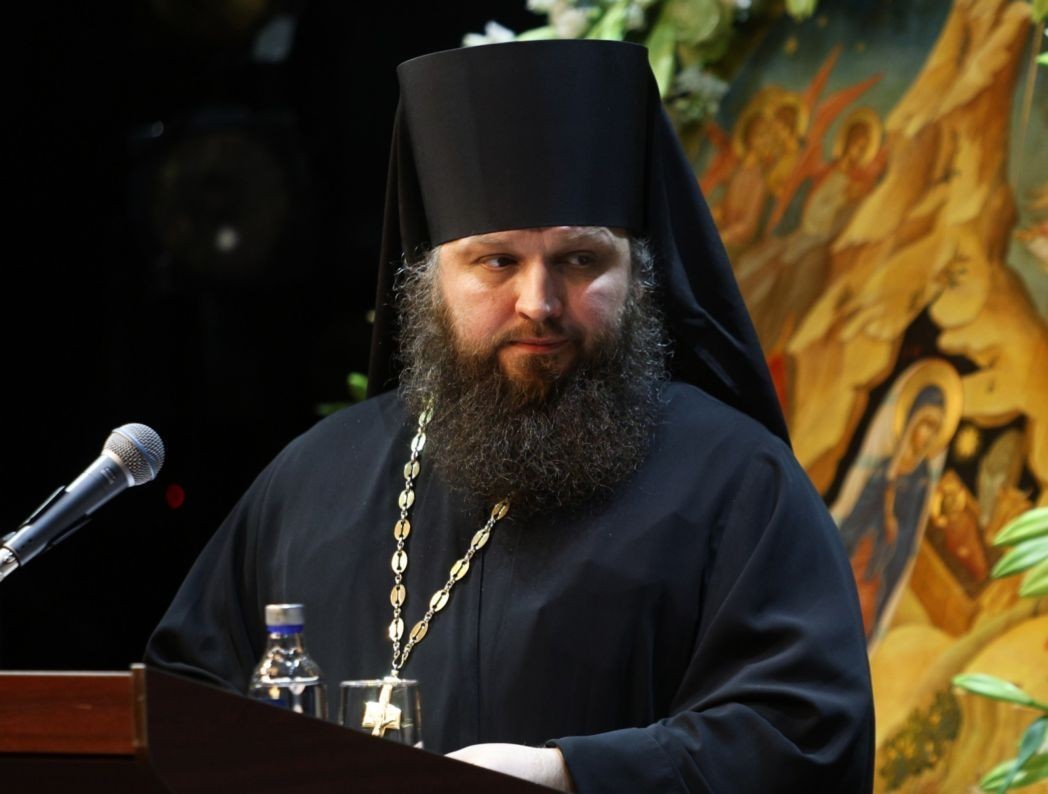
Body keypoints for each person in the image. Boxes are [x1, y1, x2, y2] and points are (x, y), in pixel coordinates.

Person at [145, 39, 875, 792]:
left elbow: (803, 735)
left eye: (580, 260)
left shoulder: (738, 481)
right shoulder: (313, 478)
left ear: (638, 272)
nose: (539, 302)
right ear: (430, 278)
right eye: (496, 262)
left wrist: (566, 775)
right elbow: (176, 707)